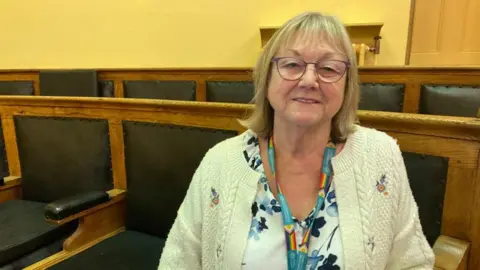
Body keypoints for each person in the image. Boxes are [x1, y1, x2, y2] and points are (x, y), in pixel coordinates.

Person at [158, 11, 435, 270]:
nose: (310, 79)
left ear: (347, 85)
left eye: (328, 68)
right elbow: (177, 261)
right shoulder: (219, 162)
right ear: (266, 80)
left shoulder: (380, 156)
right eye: (292, 64)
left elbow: (413, 263)